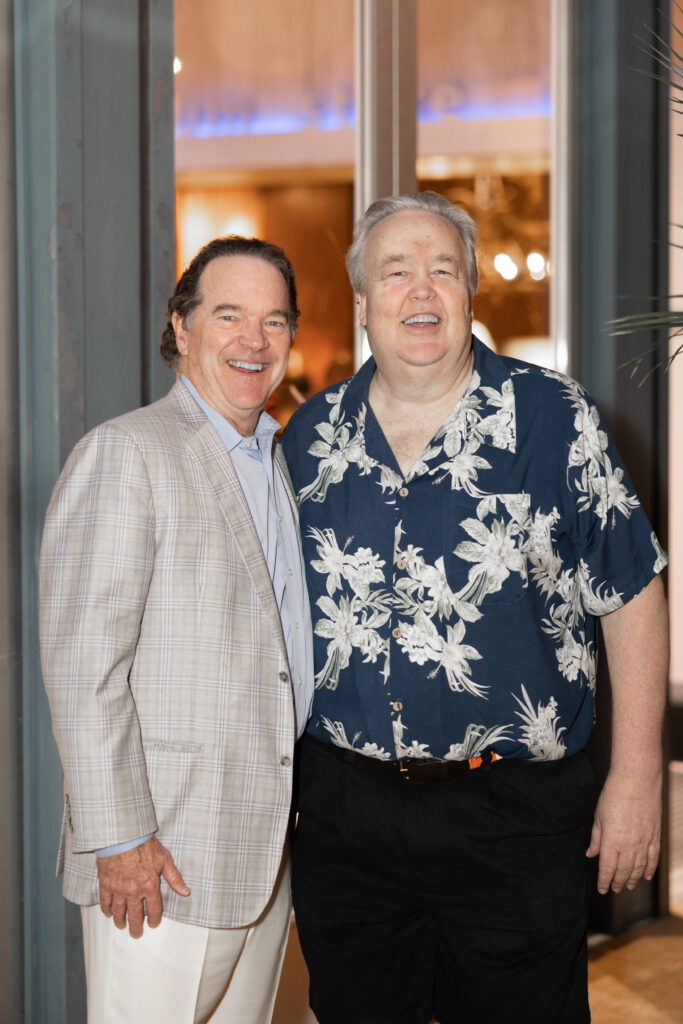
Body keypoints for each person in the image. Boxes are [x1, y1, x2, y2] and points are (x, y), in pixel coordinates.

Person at [281, 192, 669, 1024]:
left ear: (468, 293)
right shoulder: (307, 440)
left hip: (512, 815)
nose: (420, 291)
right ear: (361, 302)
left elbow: (631, 593)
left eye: (442, 270)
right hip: (347, 817)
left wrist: (637, 778)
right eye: (395, 273)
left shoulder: (554, 418)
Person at [39, 236, 313, 1024]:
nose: (253, 340)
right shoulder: (126, 452)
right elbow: (84, 668)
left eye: (273, 320)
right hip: (160, 860)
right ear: (182, 327)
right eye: (228, 315)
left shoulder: (277, 461)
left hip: (265, 855)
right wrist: (118, 838)